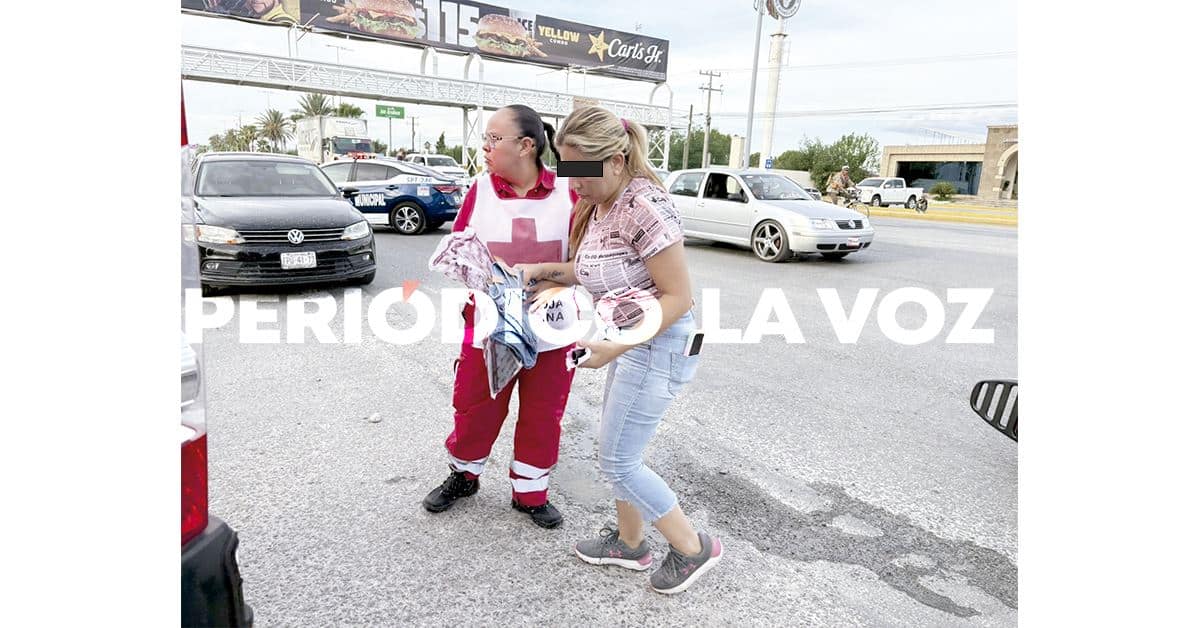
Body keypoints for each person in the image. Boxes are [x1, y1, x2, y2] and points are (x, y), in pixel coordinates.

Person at [514, 106, 723, 595]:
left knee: (618, 461)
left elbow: (678, 297)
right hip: (628, 343)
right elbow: (592, 272)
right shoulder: (601, 203)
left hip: (657, 346)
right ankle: (631, 544)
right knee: (620, 450)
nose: (573, 183)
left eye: (581, 170)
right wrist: (540, 270)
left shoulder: (644, 207)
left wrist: (616, 346)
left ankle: (693, 548)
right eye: (566, 168)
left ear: (615, 159)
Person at [420, 105, 579, 529]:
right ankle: (464, 475)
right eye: (485, 139)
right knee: (476, 403)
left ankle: (530, 492)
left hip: (554, 321)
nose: (485, 147)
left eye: (494, 138)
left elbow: (618, 163)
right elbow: (459, 247)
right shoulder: (479, 188)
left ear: (528, 146)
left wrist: (572, 149)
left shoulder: (571, 184)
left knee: (544, 411)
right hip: (490, 317)